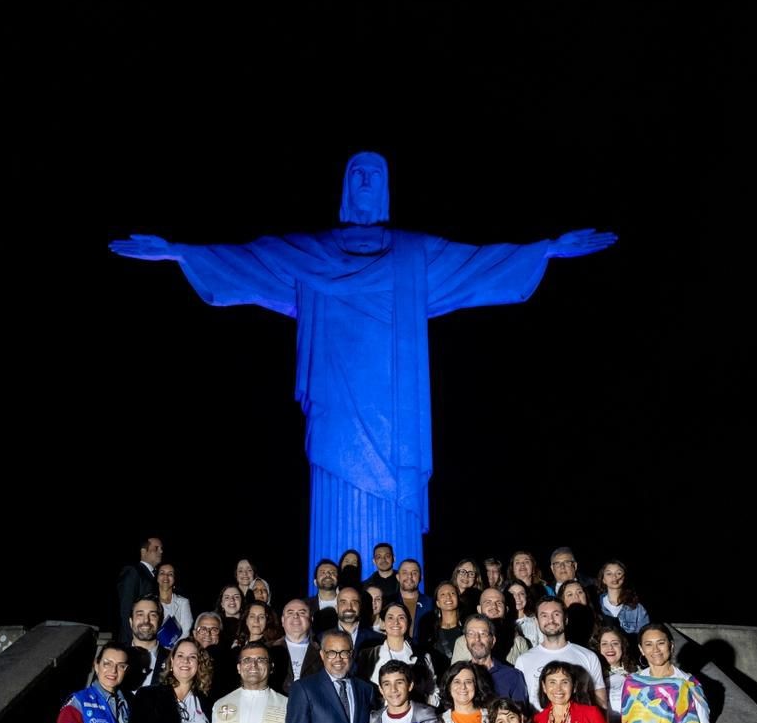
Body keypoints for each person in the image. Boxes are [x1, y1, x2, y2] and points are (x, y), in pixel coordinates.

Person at [111, 152, 616, 579]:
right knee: (333, 521)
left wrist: (546, 250)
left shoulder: (414, 255)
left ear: (388, 188)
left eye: (375, 174)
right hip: (335, 411)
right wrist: (179, 254)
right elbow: (248, 261)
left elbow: (479, 264)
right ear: (344, 188)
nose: (366, 181)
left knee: (396, 530)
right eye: (357, 173)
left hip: (395, 421)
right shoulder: (312, 252)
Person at [515, 598, 607, 710]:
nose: (551, 620)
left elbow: (601, 702)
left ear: (566, 619)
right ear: (536, 621)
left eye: (556, 614)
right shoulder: (523, 660)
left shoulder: (588, 656)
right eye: (544, 615)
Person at [355, 600, 437, 704]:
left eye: (401, 617)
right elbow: (360, 693)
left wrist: (418, 701)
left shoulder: (423, 656)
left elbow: (434, 693)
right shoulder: (368, 655)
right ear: (383, 623)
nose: (396, 622)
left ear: (408, 623)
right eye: (390, 617)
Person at [454, 614, 529, 703]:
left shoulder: (512, 676)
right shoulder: (458, 676)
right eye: (471, 634)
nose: (477, 639)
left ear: (493, 640)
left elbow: (521, 714)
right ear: (466, 640)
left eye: (483, 634)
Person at [270, 598, 323, 696]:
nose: (295, 616)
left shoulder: (323, 652)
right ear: (282, 620)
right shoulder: (268, 650)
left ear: (311, 619)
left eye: (302, 613)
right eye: (290, 613)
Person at [116, 536, 163, 643]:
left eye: (161, 548)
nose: (161, 551)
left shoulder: (156, 576)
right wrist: (133, 642)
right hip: (134, 642)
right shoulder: (133, 572)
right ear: (143, 551)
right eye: (156, 548)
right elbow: (125, 610)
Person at [125, 594, 170, 693]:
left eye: (152, 615)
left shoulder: (172, 660)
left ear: (160, 621)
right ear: (131, 621)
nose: (146, 620)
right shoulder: (116, 655)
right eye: (140, 614)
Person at [596, 560, 650, 634]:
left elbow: (645, 634)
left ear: (624, 578)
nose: (614, 577)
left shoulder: (637, 608)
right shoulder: (596, 603)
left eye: (619, 573)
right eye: (609, 573)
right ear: (603, 579)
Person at [155, 562, 193, 643]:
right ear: (157, 578)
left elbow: (186, 630)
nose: (166, 576)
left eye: (170, 574)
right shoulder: (150, 601)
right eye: (162, 573)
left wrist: (173, 649)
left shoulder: (183, 602)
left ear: (174, 579)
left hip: (176, 650)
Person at [394, 558, 433, 636]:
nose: (409, 576)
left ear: (420, 577)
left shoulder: (431, 603)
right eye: (405, 573)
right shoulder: (388, 602)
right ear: (398, 577)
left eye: (414, 573)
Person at [557, 579, 598, 647]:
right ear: (562, 601)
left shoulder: (601, 620)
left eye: (579, 592)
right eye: (570, 594)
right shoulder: (559, 625)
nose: (576, 596)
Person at [307, 558, 339, 634]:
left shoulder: (348, 604)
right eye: (323, 573)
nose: (328, 575)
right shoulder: (305, 605)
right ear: (315, 582)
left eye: (332, 572)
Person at [506, 581, 541, 649]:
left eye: (521, 593)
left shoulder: (536, 622)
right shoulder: (502, 623)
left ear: (527, 597)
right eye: (512, 593)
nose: (517, 597)